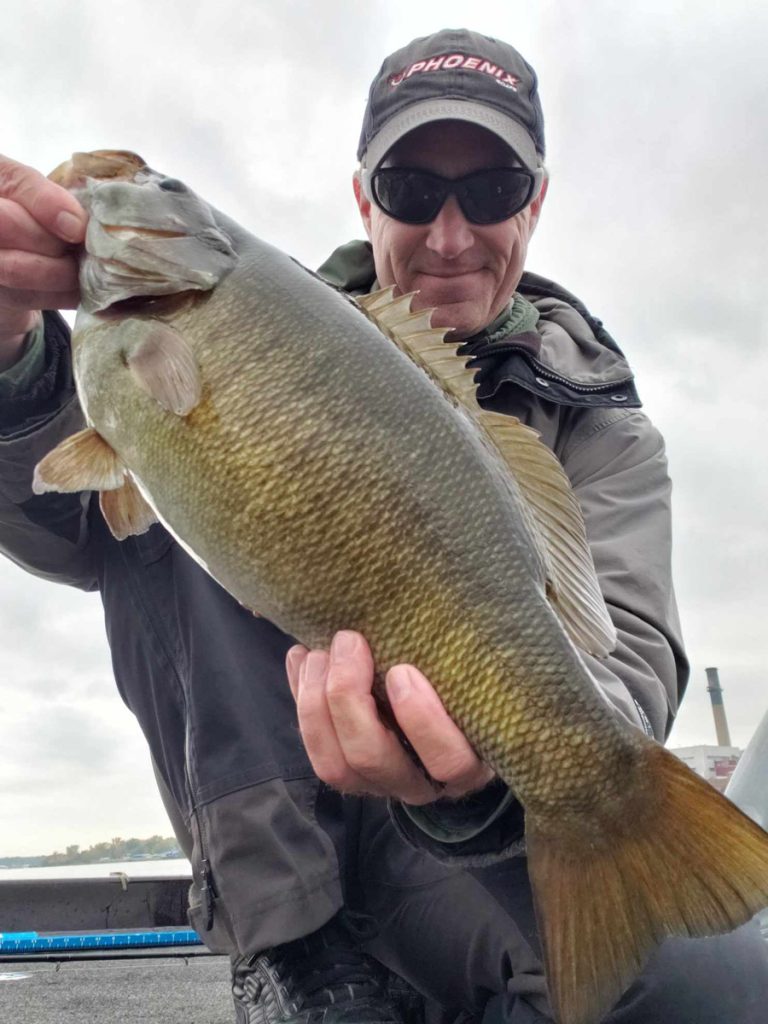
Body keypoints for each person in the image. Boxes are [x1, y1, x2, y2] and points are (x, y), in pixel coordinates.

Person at [1, 26, 767, 1024]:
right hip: (275, 854)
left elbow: (624, 671)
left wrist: (485, 781)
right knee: (183, 470)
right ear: (364, 199)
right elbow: (67, 527)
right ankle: (294, 948)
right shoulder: (236, 335)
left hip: (469, 853)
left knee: (717, 987)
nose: (450, 235)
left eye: (490, 190)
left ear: (535, 203)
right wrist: (12, 358)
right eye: (411, 189)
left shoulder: (605, 430)